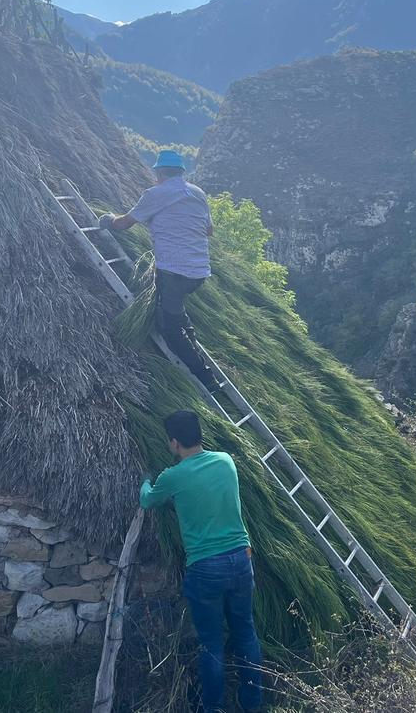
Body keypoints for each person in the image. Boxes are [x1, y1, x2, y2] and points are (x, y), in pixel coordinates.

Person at [140, 410, 263, 713]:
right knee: (246, 634)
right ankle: (252, 705)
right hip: (240, 559)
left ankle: (214, 708)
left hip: (206, 567)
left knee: (211, 644)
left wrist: (144, 480)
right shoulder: (226, 461)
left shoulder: (173, 476)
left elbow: (148, 500)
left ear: (173, 442)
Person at [100, 149, 221, 389]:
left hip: (174, 273)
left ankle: (205, 377)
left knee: (169, 328)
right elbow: (209, 231)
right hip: (198, 272)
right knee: (175, 309)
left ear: (159, 173)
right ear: (181, 172)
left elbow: (124, 224)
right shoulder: (198, 193)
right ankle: (190, 336)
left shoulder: (156, 193)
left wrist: (107, 220)